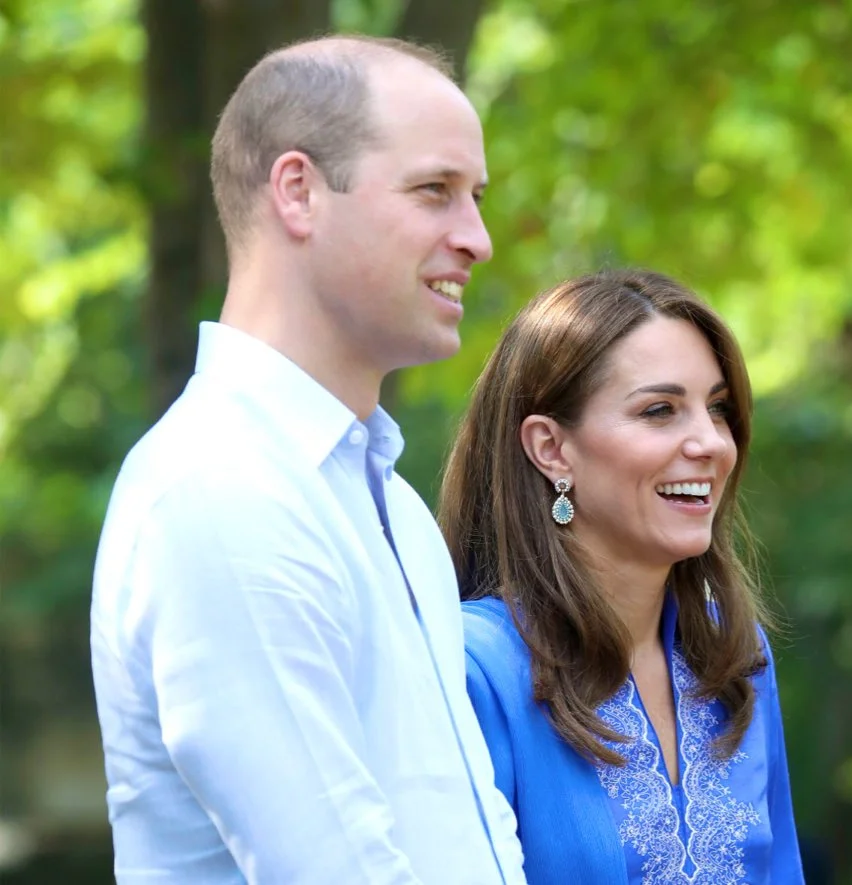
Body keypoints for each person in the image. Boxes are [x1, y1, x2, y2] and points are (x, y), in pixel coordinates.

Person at [91, 36, 525, 885]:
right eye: (434, 191)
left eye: (473, 197)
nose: (477, 239)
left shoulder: (389, 502)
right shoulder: (220, 490)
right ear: (298, 192)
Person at [439, 268, 805, 884]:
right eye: (660, 410)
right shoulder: (473, 668)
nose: (711, 442)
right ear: (551, 448)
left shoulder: (735, 660)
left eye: (717, 409)